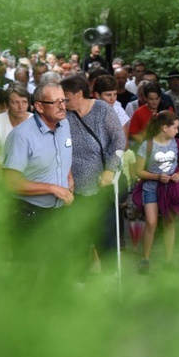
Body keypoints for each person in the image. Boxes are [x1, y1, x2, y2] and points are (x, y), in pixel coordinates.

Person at [2, 82, 74, 248]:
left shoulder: (64, 125)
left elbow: (61, 154)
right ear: (39, 107)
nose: (62, 107)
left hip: (61, 212)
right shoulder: (21, 136)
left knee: (60, 268)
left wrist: (68, 176)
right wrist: (53, 188)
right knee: (30, 270)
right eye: (56, 102)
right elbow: (10, 182)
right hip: (30, 215)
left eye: (64, 101)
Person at [61, 76, 127, 255]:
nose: (63, 101)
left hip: (100, 185)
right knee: (79, 237)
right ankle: (81, 278)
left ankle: (108, 276)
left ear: (79, 94)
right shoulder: (63, 114)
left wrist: (110, 169)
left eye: (66, 97)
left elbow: (119, 140)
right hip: (73, 185)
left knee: (105, 235)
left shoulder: (102, 109)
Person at [134, 111, 179, 274]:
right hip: (151, 188)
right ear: (165, 128)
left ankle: (168, 260)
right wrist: (157, 176)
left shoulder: (177, 144)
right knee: (151, 222)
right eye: (175, 128)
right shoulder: (147, 145)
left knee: (169, 222)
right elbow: (139, 171)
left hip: (170, 189)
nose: (177, 131)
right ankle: (145, 259)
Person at [0, 84, 32, 166]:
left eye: (24, 102)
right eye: (16, 102)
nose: (21, 107)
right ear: (7, 104)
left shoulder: (36, 121)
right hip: (1, 172)